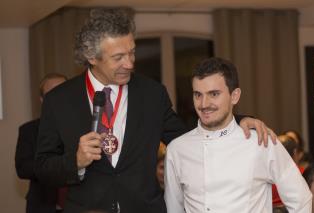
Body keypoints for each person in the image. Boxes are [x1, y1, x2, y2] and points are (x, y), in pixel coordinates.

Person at [35, 9, 275, 213]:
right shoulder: (59, 101)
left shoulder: (151, 94)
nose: (129, 63)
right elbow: (42, 168)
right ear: (91, 56)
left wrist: (237, 120)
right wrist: (75, 161)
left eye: (132, 52)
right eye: (118, 57)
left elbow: (187, 138)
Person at [164, 57, 312, 213]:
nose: (204, 104)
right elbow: (174, 209)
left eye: (214, 94)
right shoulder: (177, 149)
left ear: (234, 96)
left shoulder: (261, 142)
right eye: (198, 95)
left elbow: (301, 199)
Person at [15, 73, 67, 213]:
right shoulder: (29, 130)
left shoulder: (84, 126)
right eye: (52, 94)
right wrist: (57, 163)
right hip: (43, 206)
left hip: (79, 206)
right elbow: (23, 168)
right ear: (42, 100)